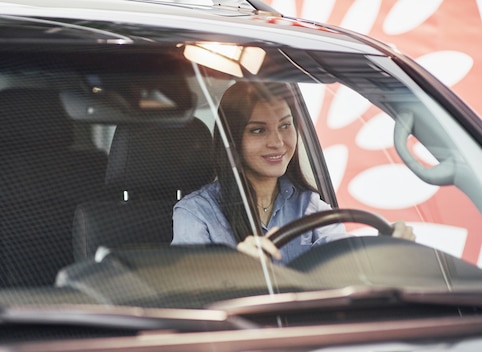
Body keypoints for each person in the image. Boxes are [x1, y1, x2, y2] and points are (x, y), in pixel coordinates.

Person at [172, 81, 414, 264]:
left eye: (285, 126)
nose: (278, 142)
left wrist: (386, 250)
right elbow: (186, 289)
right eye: (258, 131)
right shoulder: (196, 213)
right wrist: (234, 269)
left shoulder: (309, 206)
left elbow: (347, 264)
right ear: (233, 140)